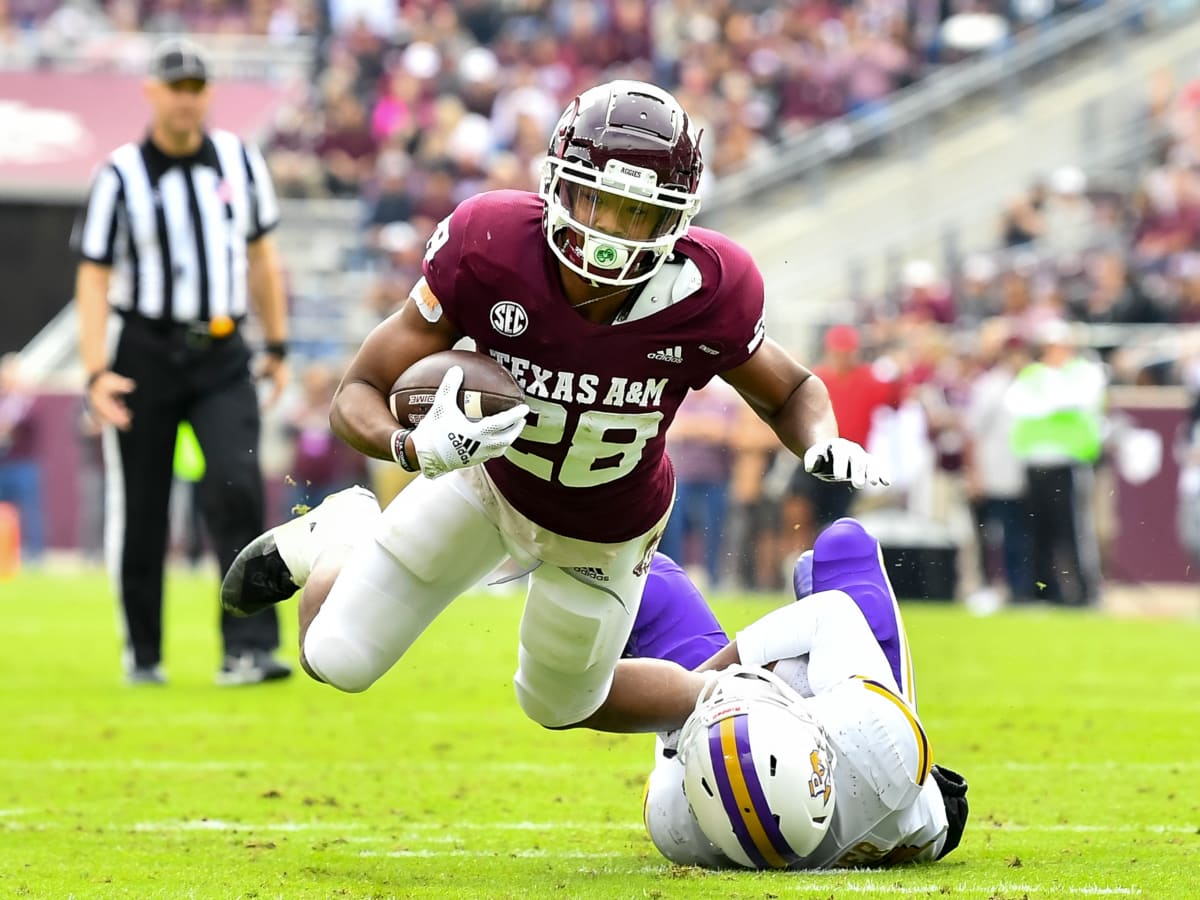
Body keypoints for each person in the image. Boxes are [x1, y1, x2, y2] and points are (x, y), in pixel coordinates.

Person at [222, 79, 886, 734]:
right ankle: (343, 531)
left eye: (636, 213)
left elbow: (791, 390)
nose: (608, 233)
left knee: (560, 704)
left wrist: (821, 438)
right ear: (557, 185)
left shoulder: (708, 290)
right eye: (595, 201)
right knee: (335, 657)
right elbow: (359, 390)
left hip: (609, 527)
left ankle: (759, 705)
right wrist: (410, 447)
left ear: (676, 219)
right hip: (486, 485)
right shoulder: (490, 246)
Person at [74, 38, 293, 685]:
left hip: (223, 350)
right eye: (175, 87)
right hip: (144, 352)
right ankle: (144, 654)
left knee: (237, 486)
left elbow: (262, 257)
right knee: (142, 509)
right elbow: (93, 277)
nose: (186, 99)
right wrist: (95, 372)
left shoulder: (239, 160)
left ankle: (248, 648)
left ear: (209, 92)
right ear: (152, 92)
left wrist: (277, 345)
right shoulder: (119, 175)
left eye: (196, 86)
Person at [639, 517, 968, 869]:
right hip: (881, 783)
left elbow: (657, 714)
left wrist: (698, 687)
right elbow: (830, 613)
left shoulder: (675, 821)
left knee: (650, 584)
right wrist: (761, 666)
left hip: (739, 739)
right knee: (845, 547)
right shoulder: (883, 748)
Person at [1004, 318, 1107, 606]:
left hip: (1069, 462)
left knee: (1074, 530)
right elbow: (1017, 404)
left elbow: (1074, 401)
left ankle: (1084, 591)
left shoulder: (1084, 372)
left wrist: (1046, 403)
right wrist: (1050, 404)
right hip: (1036, 462)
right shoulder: (1033, 374)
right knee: (1040, 531)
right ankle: (1045, 590)